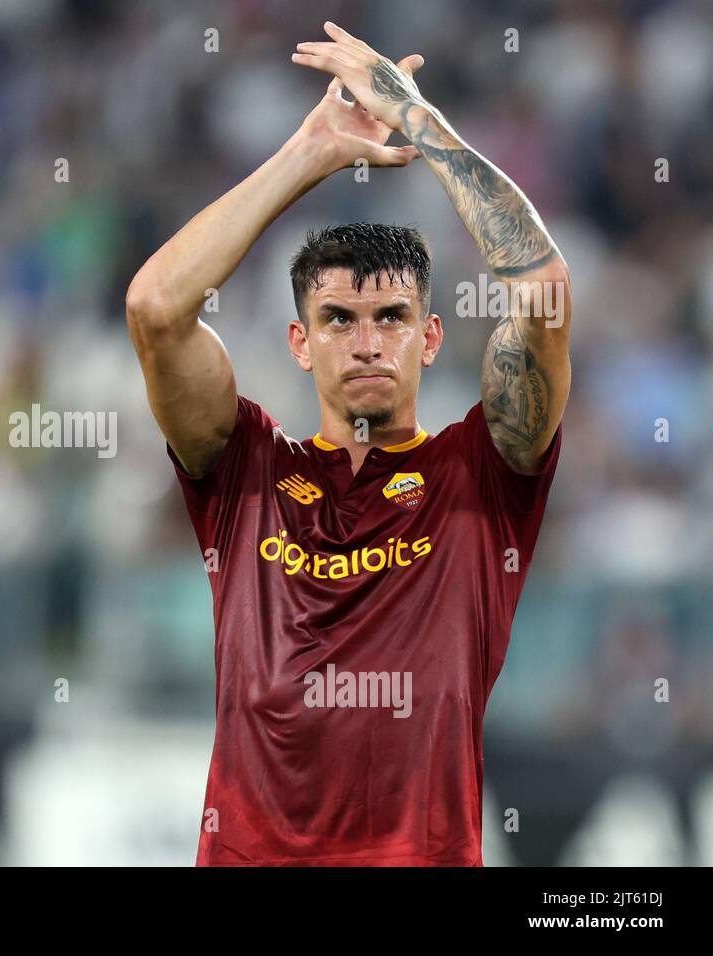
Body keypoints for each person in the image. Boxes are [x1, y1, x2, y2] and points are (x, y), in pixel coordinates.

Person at [125, 22, 572, 865]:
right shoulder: (246, 468)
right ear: (300, 342)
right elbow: (154, 310)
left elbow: (543, 290)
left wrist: (419, 123)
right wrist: (306, 155)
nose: (367, 342)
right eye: (338, 319)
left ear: (432, 338)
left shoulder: (478, 474)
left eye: (391, 318)